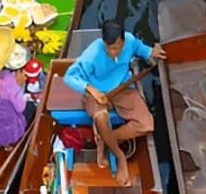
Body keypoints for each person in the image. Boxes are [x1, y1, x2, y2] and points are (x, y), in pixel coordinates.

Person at [63, 20, 165, 186]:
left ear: (123, 41)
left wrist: (151, 53)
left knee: (147, 124)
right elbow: (70, 77)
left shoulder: (130, 41)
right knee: (101, 118)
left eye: (117, 47)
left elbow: (142, 49)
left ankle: (106, 139)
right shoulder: (93, 53)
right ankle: (119, 156)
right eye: (109, 48)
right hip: (96, 93)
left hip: (121, 88)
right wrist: (93, 91)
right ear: (103, 42)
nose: (113, 52)